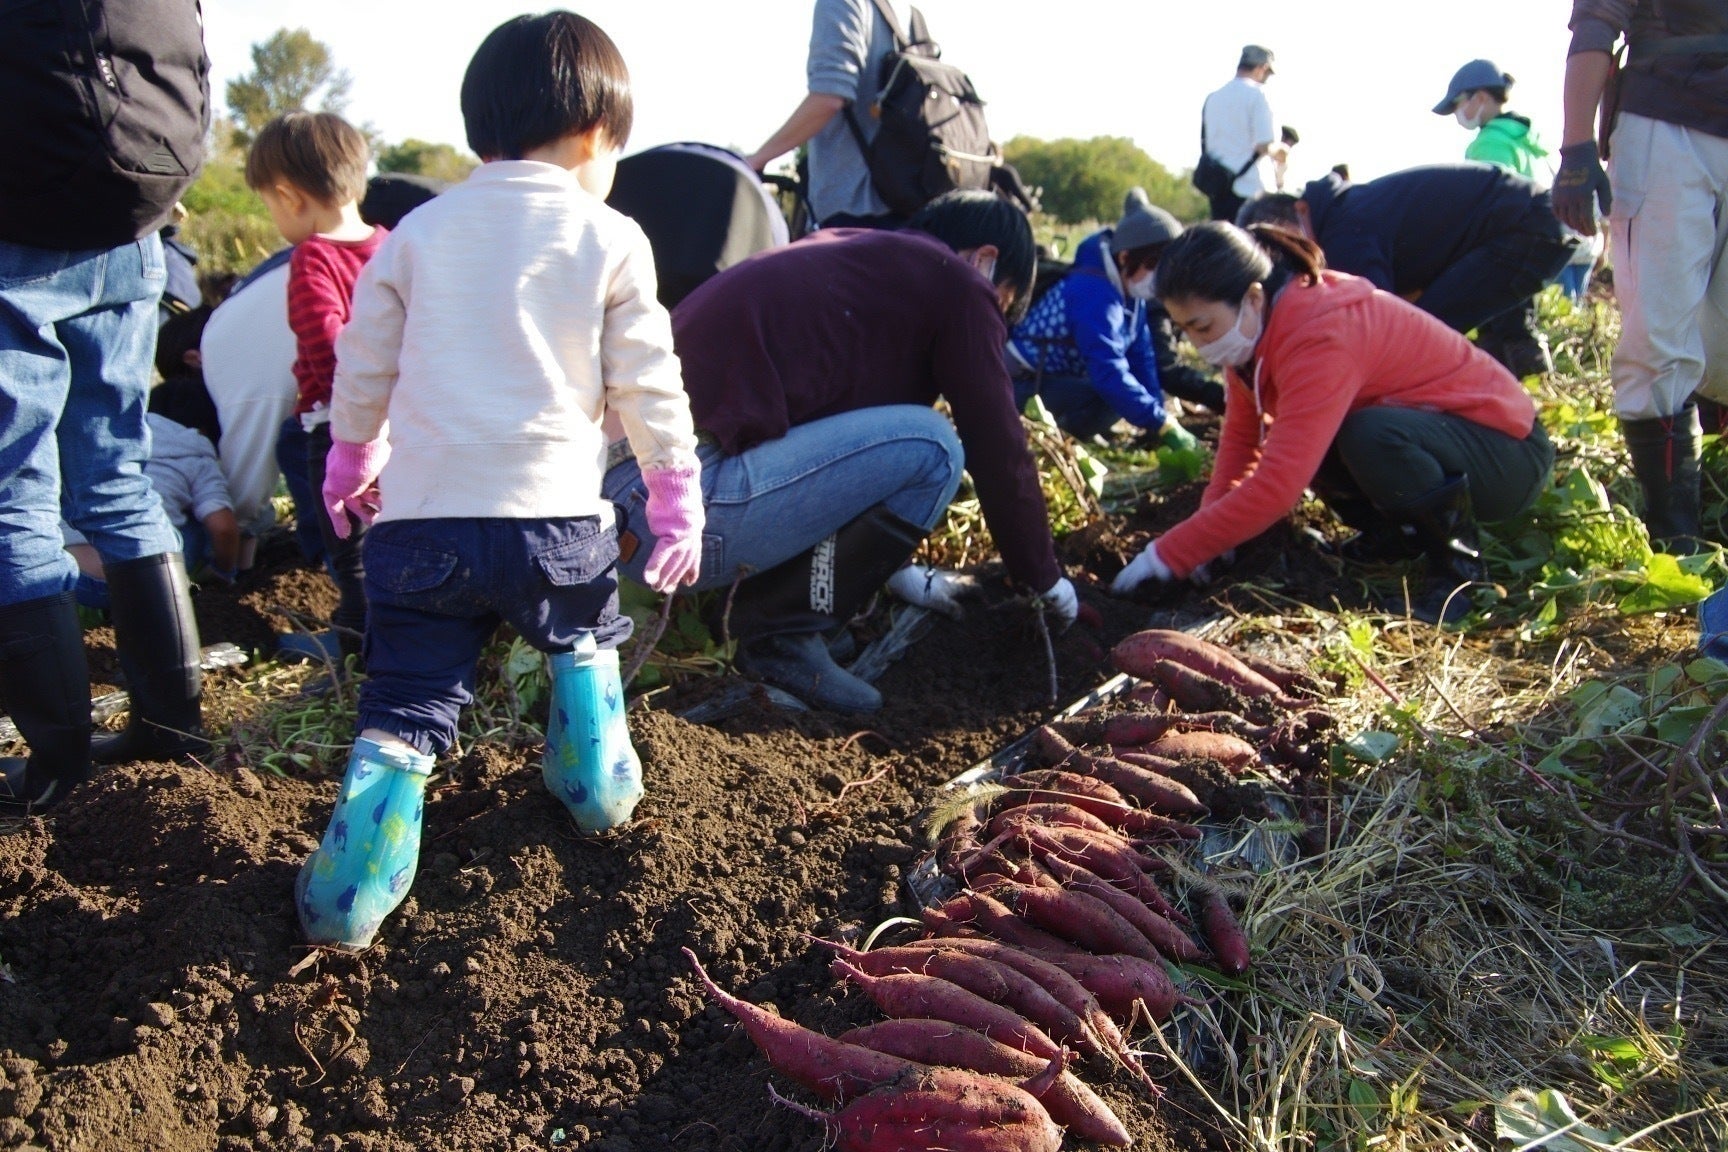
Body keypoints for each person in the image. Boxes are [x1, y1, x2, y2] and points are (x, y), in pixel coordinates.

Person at [295, 11, 705, 952]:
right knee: (583, 645)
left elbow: (363, 361)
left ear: (481, 130)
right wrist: (674, 496)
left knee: (405, 704)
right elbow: (649, 383)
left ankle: (348, 896)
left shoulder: (414, 234)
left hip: (421, 529)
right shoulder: (611, 236)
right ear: (597, 135)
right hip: (556, 525)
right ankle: (596, 787)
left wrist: (353, 457)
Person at [603, 190, 1080, 713]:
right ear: (984, 260)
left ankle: (774, 613)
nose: (992, 312)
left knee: (913, 438)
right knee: (936, 445)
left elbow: (838, 462)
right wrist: (1043, 578)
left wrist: (894, 570)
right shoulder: (959, 283)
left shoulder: (856, 257)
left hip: (624, 506)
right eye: (1001, 302)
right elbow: (997, 446)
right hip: (676, 511)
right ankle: (778, 636)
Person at [1111, 223, 1555, 625]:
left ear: (1252, 298)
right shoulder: (1251, 339)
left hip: (1508, 458)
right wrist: (1210, 534)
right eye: (1185, 330)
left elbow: (1279, 483)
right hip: (1446, 443)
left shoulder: (1320, 333)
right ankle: (1393, 539)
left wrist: (1169, 555)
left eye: (1203, 327)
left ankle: (1462, 576)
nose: (1197, 344)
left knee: (1367, 434)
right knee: (1326, 435)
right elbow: (1242, 443)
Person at [1, 0, 211, 806]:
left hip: (17, 224)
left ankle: (57, 769)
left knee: (14, 495)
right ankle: (173, 730)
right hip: (132, 218)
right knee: (118, 478)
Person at [1553, 0, 1728, 550]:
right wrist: (1577, 146)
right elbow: (1597, 22)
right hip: (1667, 119)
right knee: (1660, 334)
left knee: (1718, 341)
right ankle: (1679, 541)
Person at [246, 113, 387, 668]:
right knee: (396, 538)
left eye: (270, 205)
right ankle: (403, 638)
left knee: (348, 548)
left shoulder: (313, 257)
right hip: (405, 421)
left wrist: (358, 419)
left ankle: (356, 648)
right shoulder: (393, 246)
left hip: (338, 426)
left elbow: (327, 347)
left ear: (288, 196)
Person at [1237, 164, 1576, 377]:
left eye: (1286, 241)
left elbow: (1379, 324)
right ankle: (1526, 390)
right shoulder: (1349, 210)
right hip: (1527, 220)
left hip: (1524, 228)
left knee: (1418, 337)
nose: (1291, 258)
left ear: (1300, 209)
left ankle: (1486, 415)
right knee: (1478, 335)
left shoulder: (1343, 231)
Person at [1007, 188, 1216, 443]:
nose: (1158, 279)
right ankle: (1057, 435)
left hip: (1058, 380)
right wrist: (1159, 422)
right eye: (1153, 266)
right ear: (1126, 257)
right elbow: (1108, 371)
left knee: (1121, 392)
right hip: (1021, 383)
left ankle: (1074, 428)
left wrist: (1160, 418)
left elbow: (1142, 358)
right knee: (1110, 397)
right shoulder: (1093, 290)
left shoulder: (1130, 294)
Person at [1433, 58, 1572, 374]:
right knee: (1518, 317)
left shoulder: (1490, 143)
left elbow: (1489, 207)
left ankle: (1517, 384)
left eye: (1458, 103)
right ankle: (1533, 383)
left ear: (1481, 97)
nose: (1457, 113)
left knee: (1500, 325)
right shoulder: (1525, 139)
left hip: (1505, 246)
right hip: (1541, 246)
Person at [744, 0, 898, 227]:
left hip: (853, 209)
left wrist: (756, 160)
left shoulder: (841, 3)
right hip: (911, 207)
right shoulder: (906, 13)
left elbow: (829, 98)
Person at [1199, 45, 1285, 224]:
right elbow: (1264, 145)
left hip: (1218, 190)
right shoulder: (1258, 95)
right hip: (1251, 191)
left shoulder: (1213, 97)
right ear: (1262, 68)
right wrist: (1282, 150)